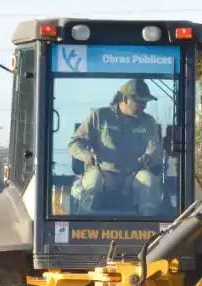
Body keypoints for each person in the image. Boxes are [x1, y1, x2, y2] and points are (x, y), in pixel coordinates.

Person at [67, 79, 167, 213]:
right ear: (125, 99)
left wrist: (149, 155)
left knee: (149, 182)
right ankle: (86, 221)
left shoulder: (148, 121)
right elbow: (74, 143)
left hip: (134, 175)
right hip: (102, 172)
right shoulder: (99, 116)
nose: (144, 106)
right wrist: (87, 155)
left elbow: (154, 146)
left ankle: (149, 223)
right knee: (93, 183)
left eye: (145, 102)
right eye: (140, 102)